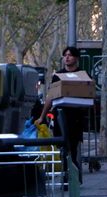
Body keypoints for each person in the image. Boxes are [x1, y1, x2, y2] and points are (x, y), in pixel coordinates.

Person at [34, 46, 89, 179]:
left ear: (76, 58)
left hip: (76, 118)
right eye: (65, 55)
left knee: (73, 148)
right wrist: (42, 117)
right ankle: (68, 175)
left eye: (70, 55)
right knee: (63, 148)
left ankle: (72, 176)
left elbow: (89, 95)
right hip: (61, 116)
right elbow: (50, 97)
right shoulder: (57, 76)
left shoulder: (83, 75)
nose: (67, 58)